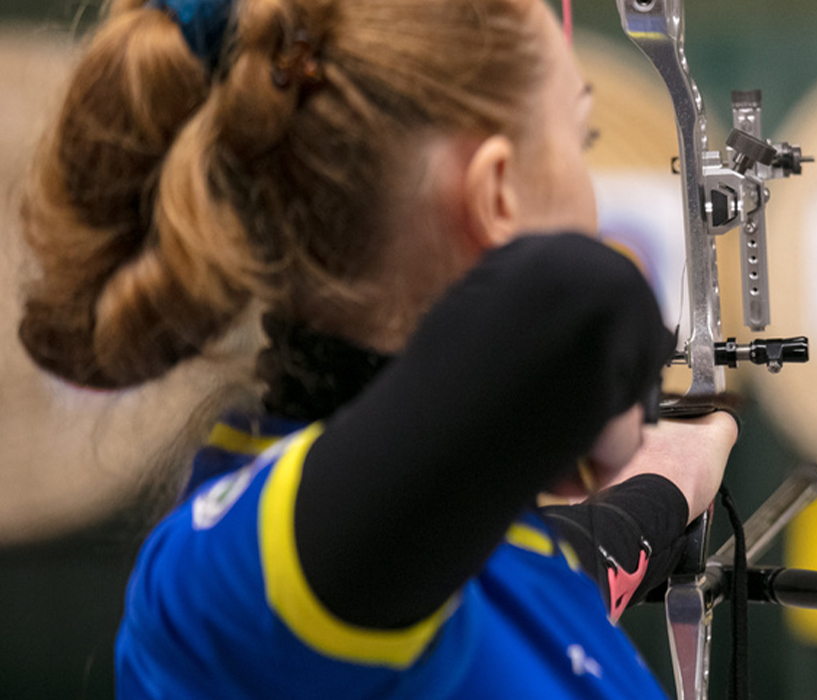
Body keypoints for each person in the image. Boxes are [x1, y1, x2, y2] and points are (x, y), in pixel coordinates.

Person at [15, 0, 738, 696]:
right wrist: (608, 406)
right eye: (579, 140)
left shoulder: (463, 561)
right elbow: (576, 300)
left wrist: (672, 471)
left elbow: (579, 551)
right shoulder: (236, 580)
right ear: (496, 198)